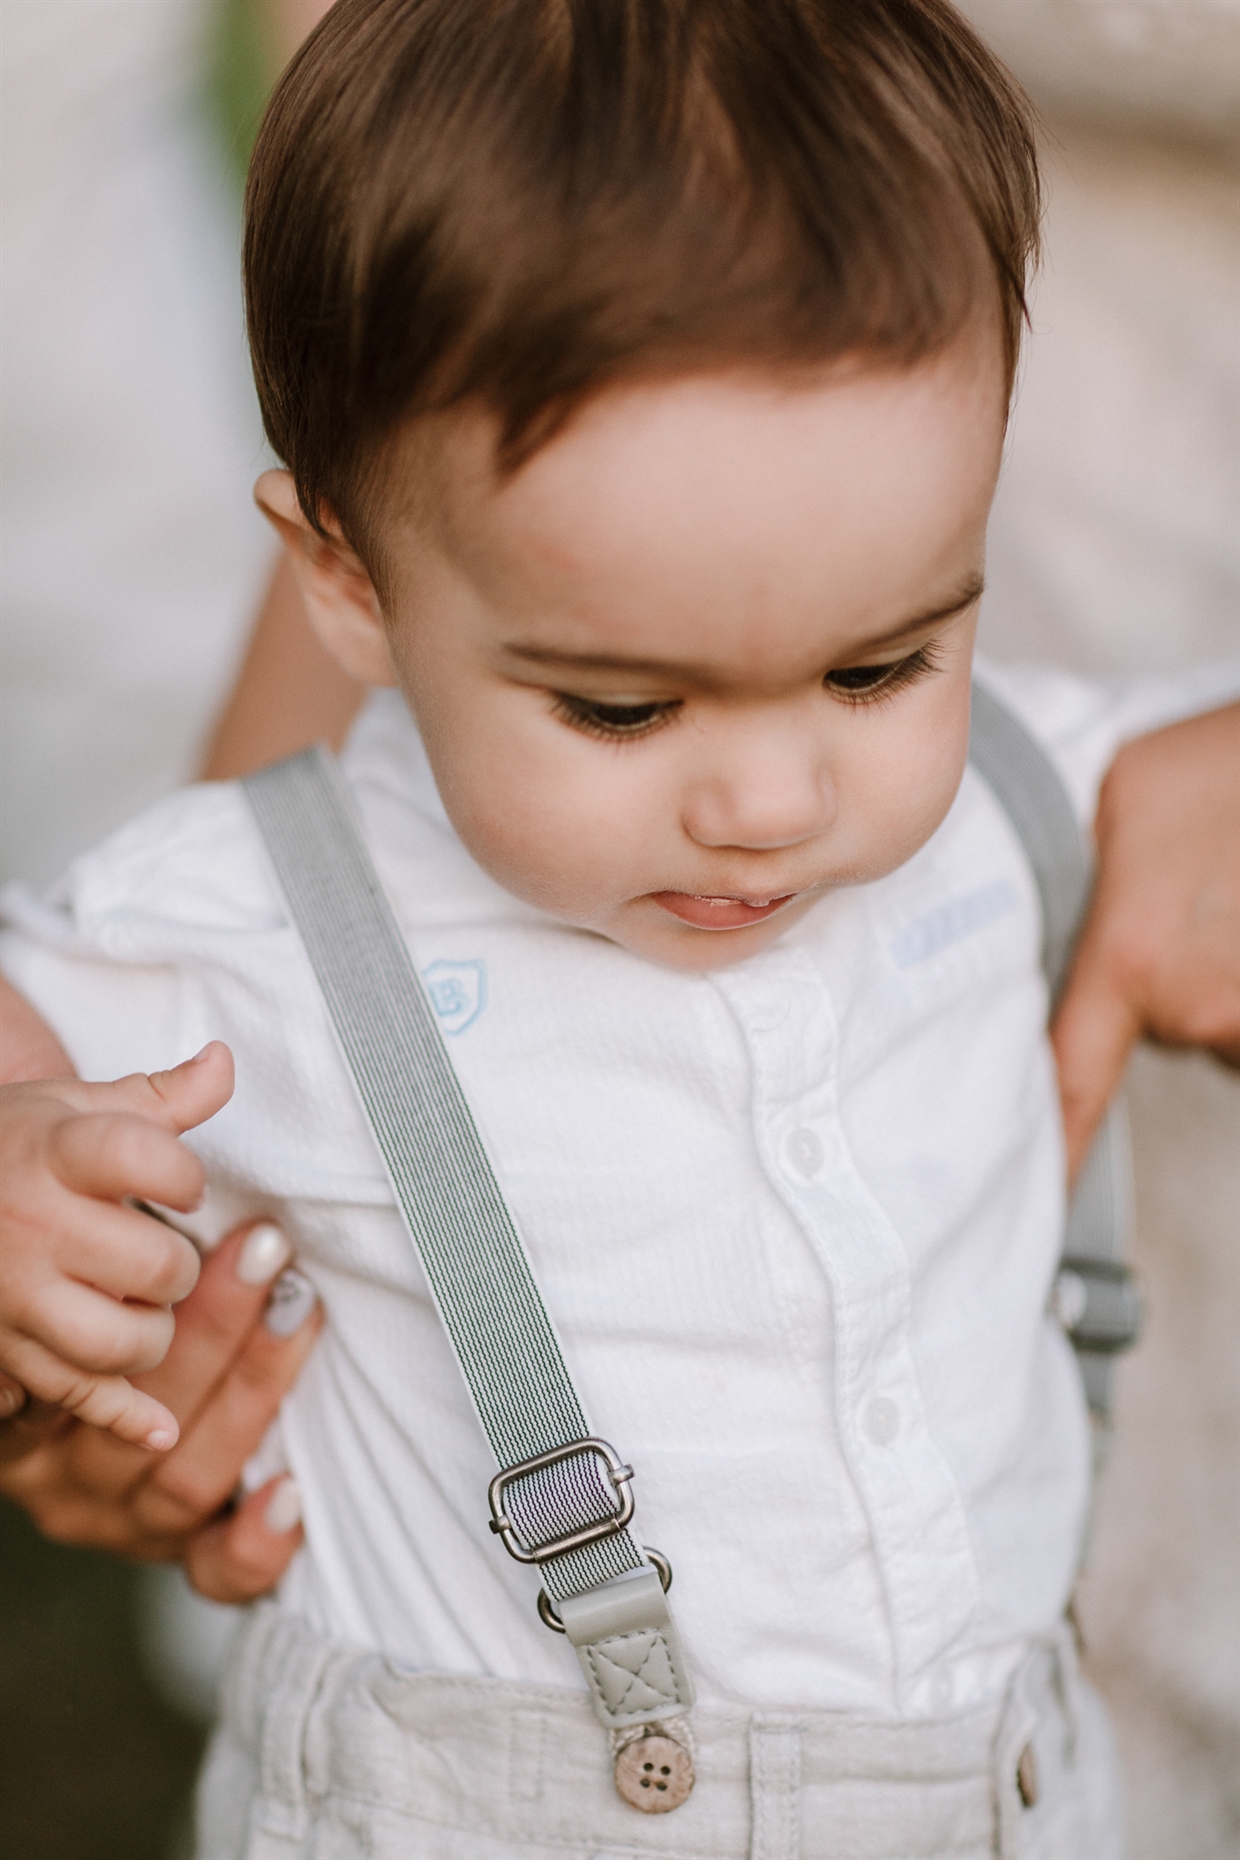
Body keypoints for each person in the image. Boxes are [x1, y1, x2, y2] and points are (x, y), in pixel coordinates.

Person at [0, 0, 1237, 1852]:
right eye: (623, 709)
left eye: (881, 663)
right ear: (346, 578)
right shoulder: (262, 917)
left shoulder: (1038, 791)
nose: (769, 803)